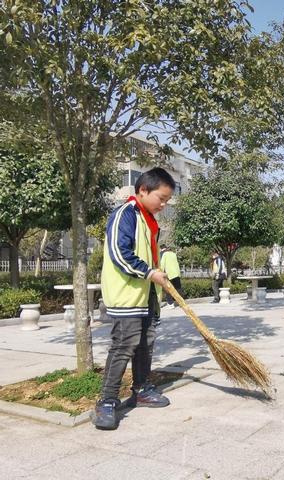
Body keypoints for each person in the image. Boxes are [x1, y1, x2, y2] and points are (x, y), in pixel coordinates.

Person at [91, 167, 175, 431]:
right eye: (161, 198)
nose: (163, 204)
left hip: (146, 296)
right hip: (126, 296)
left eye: (167, 201)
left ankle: (141, 388)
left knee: (144, 345)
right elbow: (119, 252)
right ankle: (107, 401)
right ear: (142, 190)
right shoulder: (125, 214)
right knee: (123, 345)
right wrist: (150, 272)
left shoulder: (148, 220)